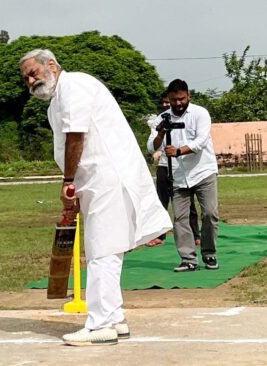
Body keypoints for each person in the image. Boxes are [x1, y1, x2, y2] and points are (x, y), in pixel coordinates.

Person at [20, 49, 172, 346]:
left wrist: (67, 181)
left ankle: (100, 324)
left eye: (33, 73)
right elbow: (69, 145)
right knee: (106, 249)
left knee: (103, 251)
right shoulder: (56, 102)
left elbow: (77, 135)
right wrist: (74, 186)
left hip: (107, 177)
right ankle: (114, 318)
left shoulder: (74, 85)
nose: (29, 81)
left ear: (51, 65)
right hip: (93, 182)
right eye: (25, 78)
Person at [147, 79, 219, 272]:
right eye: (174, 100)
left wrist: (178, 151)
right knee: (180, 218)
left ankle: (209, 253)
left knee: (210, 214)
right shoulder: (161, 118)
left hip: (203, 171)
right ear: (168, 99)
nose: (178, 103)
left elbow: (201, 141)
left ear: (188, 96)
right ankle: (188, 259)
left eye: (181, 99)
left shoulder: (200, 113)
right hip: (178, 176)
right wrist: (161, 133)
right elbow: (151, 146)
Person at [147, 92, 200, 247]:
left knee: (188, 201)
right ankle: (159, 235)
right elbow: (152, 146)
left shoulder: (185, 118)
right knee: (161, 201)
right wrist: (161, 133)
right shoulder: (158, 121)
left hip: (181, 166)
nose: (166, 105)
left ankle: (195, 234)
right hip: (164, 165)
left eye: (167, 102)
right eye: (164, 102)